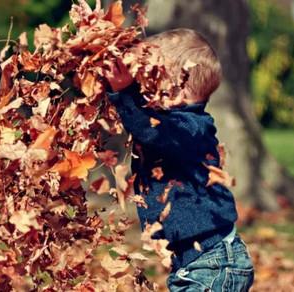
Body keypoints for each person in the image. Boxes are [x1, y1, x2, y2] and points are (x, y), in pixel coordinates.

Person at [104, 28, 255, 291]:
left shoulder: (190, 128)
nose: (141, 88)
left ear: (178, 90)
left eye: (150, 80)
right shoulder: (177, 124)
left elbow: (150, 131)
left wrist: (124, 93)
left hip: (212, 265)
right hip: (198, 264)